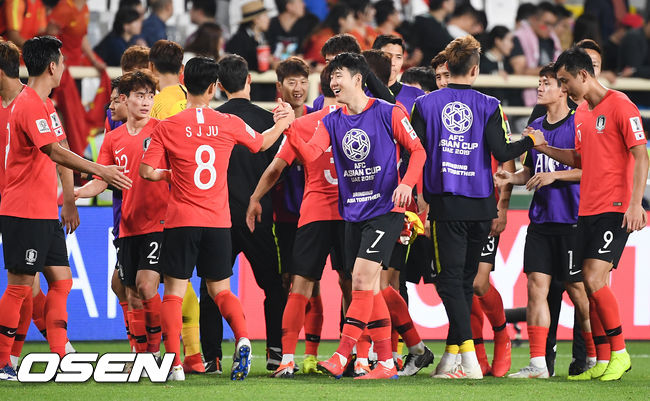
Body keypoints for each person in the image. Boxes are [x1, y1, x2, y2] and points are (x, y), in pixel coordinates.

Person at [139, 56, 295, 381]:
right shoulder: (228, 123)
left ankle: (174, 364)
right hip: (217, 221)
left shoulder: (167, 126)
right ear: (213, 88)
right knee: (221, 290)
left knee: (174, 293)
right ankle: (243, 338)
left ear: (184, 82)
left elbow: (146, 171)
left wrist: (170, 175)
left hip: (182, 220)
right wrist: (282, 123)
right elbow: (262, 143)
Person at [286, 52, 427, 380]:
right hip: (352, 212)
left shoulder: (389, 112)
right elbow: (310, 154)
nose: (333, 82)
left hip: (386, 210)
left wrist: (406, 184)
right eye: (331, 76)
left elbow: (418, 150)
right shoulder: (332, 120)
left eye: (339, 75)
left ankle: (342, 354)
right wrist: (289, 128)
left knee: (362, 280)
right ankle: (387, 363)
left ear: (358, 79)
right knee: (371, 289)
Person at [411, 35, 545, 379]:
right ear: (474, 70)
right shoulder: (490, 104)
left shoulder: (425, 105)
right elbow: (502, 152)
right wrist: (530, 140)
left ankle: (468, 358)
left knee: (449, 282)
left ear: (449, 66)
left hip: (447, 205)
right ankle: (453, 358)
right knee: (465, 282)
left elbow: (416, 152)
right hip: (483, 207)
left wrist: (416, 190)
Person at [0, 36, 130, 381]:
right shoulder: (29, 104)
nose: (64, 68)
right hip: (24, 209)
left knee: (61, 281)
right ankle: (3, 360)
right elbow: (54, 151)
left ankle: (60, 354)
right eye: (62, 62)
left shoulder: (45, 104)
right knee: (20, 287)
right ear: (52, 66)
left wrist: (70, 199)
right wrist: (101, 170)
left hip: (44, 210)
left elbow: (62, 147)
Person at [535, 47, 648, 381]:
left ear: (583, 75)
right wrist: (545, 148)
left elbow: (641, 155)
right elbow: (580, 159)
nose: (563, 88)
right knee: (588, 281)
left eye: (565, 81)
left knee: (595, 278)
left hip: (615, 207)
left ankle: (620, 353)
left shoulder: (621, 105)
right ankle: (602, 359)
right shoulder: (583, 112)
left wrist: (636, 203)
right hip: (586, 208)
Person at [494, 64, 595, 379]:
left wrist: (555, 176)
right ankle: (538, 363)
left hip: (573, 221)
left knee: (579, 292)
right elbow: (530, 170)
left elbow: (590, 169)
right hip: (541, 222)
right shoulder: (534, 127)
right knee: (535, 287)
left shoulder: (579, 122)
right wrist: (511, 178)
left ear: (563, 88)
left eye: (546, 83)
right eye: (539, 82)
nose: (540, 87)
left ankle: (594, 355)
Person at [247, 65, 345, 378]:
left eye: (305, 81)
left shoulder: (305, 124)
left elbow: (277, 167)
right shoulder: (361, 120)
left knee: (302, 286)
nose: (300, 87)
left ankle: (289, 358)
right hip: (346, 214)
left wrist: (254, 198)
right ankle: (360, 356)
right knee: (356, 285)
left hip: (313, 215)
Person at [197, 54, 286, 373]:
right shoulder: (268, 122)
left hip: (218, 218)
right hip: (258, 217)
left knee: (211, 288)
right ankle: (276, 353)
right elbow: (280, 169)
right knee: (273, 286)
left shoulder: (212, 121)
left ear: (219, 86)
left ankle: (212, 358)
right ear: (249, 80)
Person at [75, 70, 167, 359]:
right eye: (140, 96)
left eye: (150, 96)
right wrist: (77, 193)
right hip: (127, 225)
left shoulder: (163, 130)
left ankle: (156, 354)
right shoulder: (112, 138)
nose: (146, 102)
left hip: (159, 222)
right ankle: (140, 356)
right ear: (125, 100)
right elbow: (101, 180)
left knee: (146, 286)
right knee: (131, 295)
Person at [510, 2, 561, 106]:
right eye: (546, 24)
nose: (549, 28)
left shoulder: (552, 41)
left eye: (552, 25)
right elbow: (519, 71)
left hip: (549, 102)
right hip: (522, 103)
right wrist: (552, 70)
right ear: (534, 19)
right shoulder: (519, 38)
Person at [46, 0, 106, 70]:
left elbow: (82, 38)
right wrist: (57, 58)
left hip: (77, 59)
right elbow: (50, 36)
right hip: (64, 62)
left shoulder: (85, 8)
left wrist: (94, 61)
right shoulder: (64, 7)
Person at [372, 35, 425, 115]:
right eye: (387, 56)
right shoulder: (361, 93)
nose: (393, 63)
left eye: (398, 57)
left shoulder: (417, 96)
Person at [225, 0, 271, 72]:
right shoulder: (239, 40)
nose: (268, 19)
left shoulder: (264, 36)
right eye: (265, 16)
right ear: (256, 20)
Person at [413, 0, 454, 67]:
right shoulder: (424, 21)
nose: (454, 4)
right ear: (444, 4)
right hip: (426, 66)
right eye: (452, 1)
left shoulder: (441, 23)